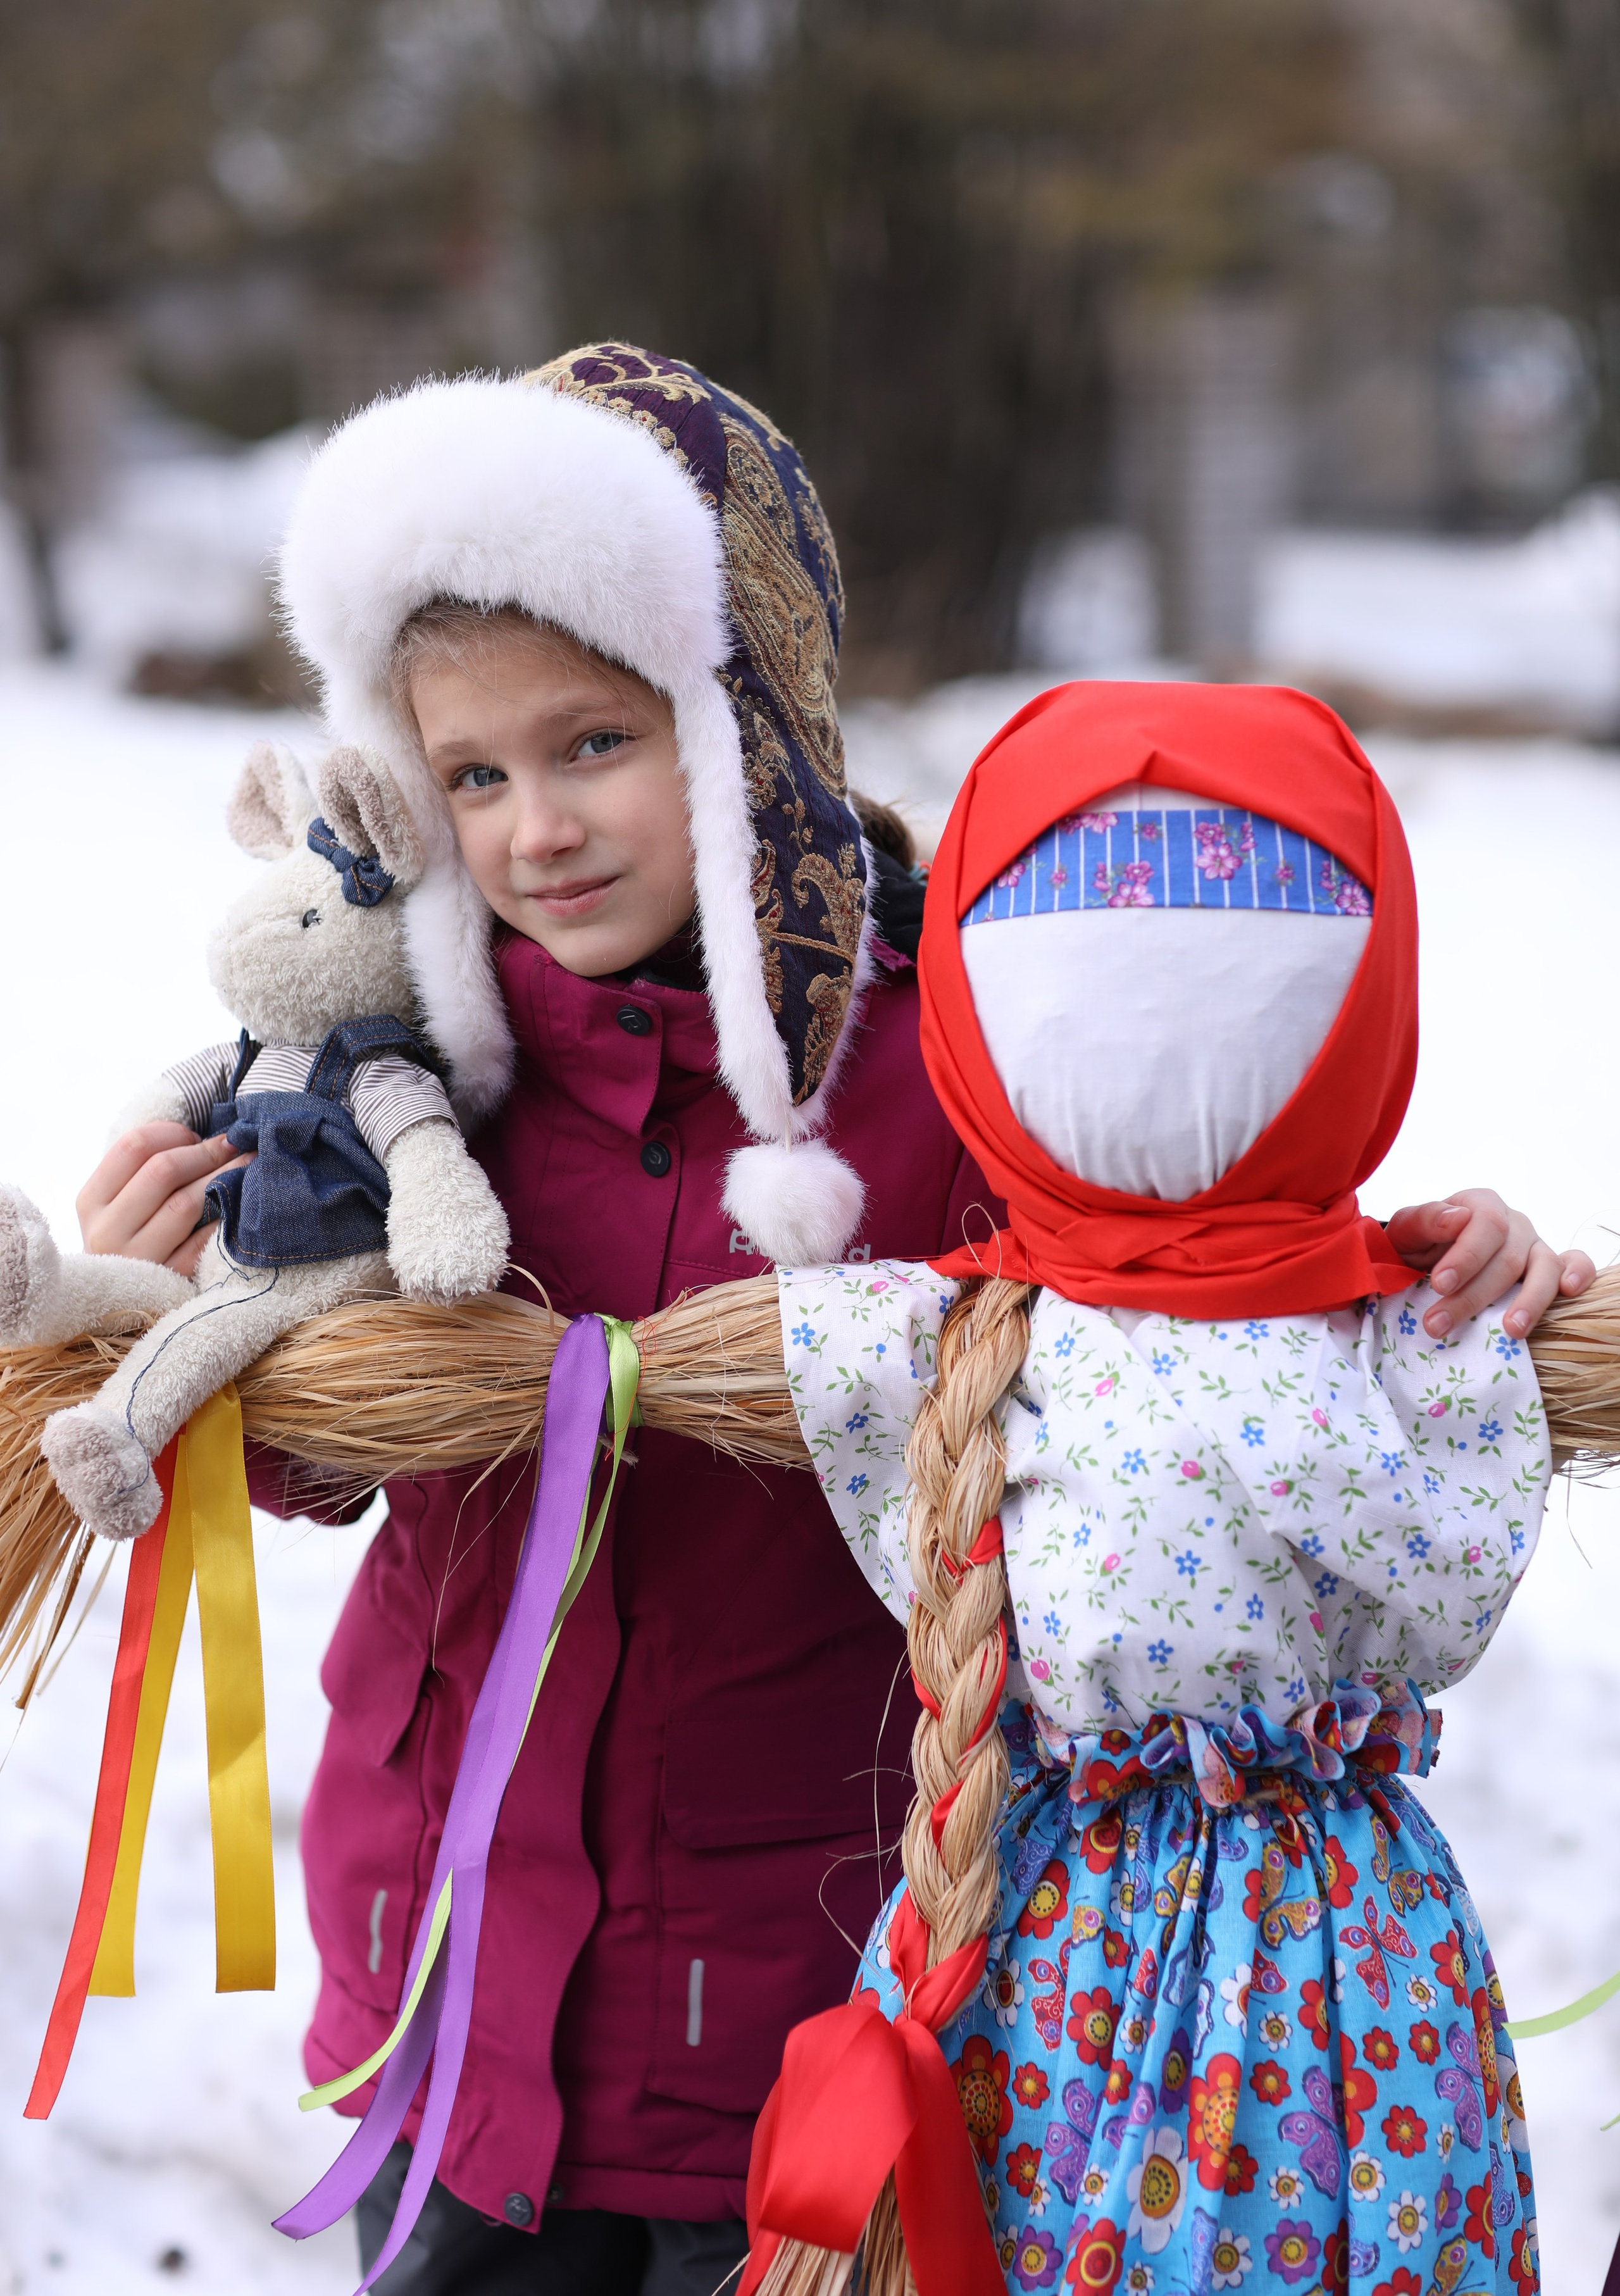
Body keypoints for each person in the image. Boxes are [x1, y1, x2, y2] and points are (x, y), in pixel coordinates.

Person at [72, 353, 1586, 2296]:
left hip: (816, 2001)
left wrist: (1443, 1255)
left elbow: (1204, 1275)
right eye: (470, 772)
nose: (535, 829)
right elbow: (324, 1456)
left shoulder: (958, 1067)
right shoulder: (401, 1079)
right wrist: (202, 1321)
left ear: (744, 720)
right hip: (451, 1995)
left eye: (597, 742)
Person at [756, 680, 1557, 2296]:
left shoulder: (1399, 1312)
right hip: (1103, 1937)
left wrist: (1512, 1276)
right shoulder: (959, 1335)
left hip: (1215, 1956)